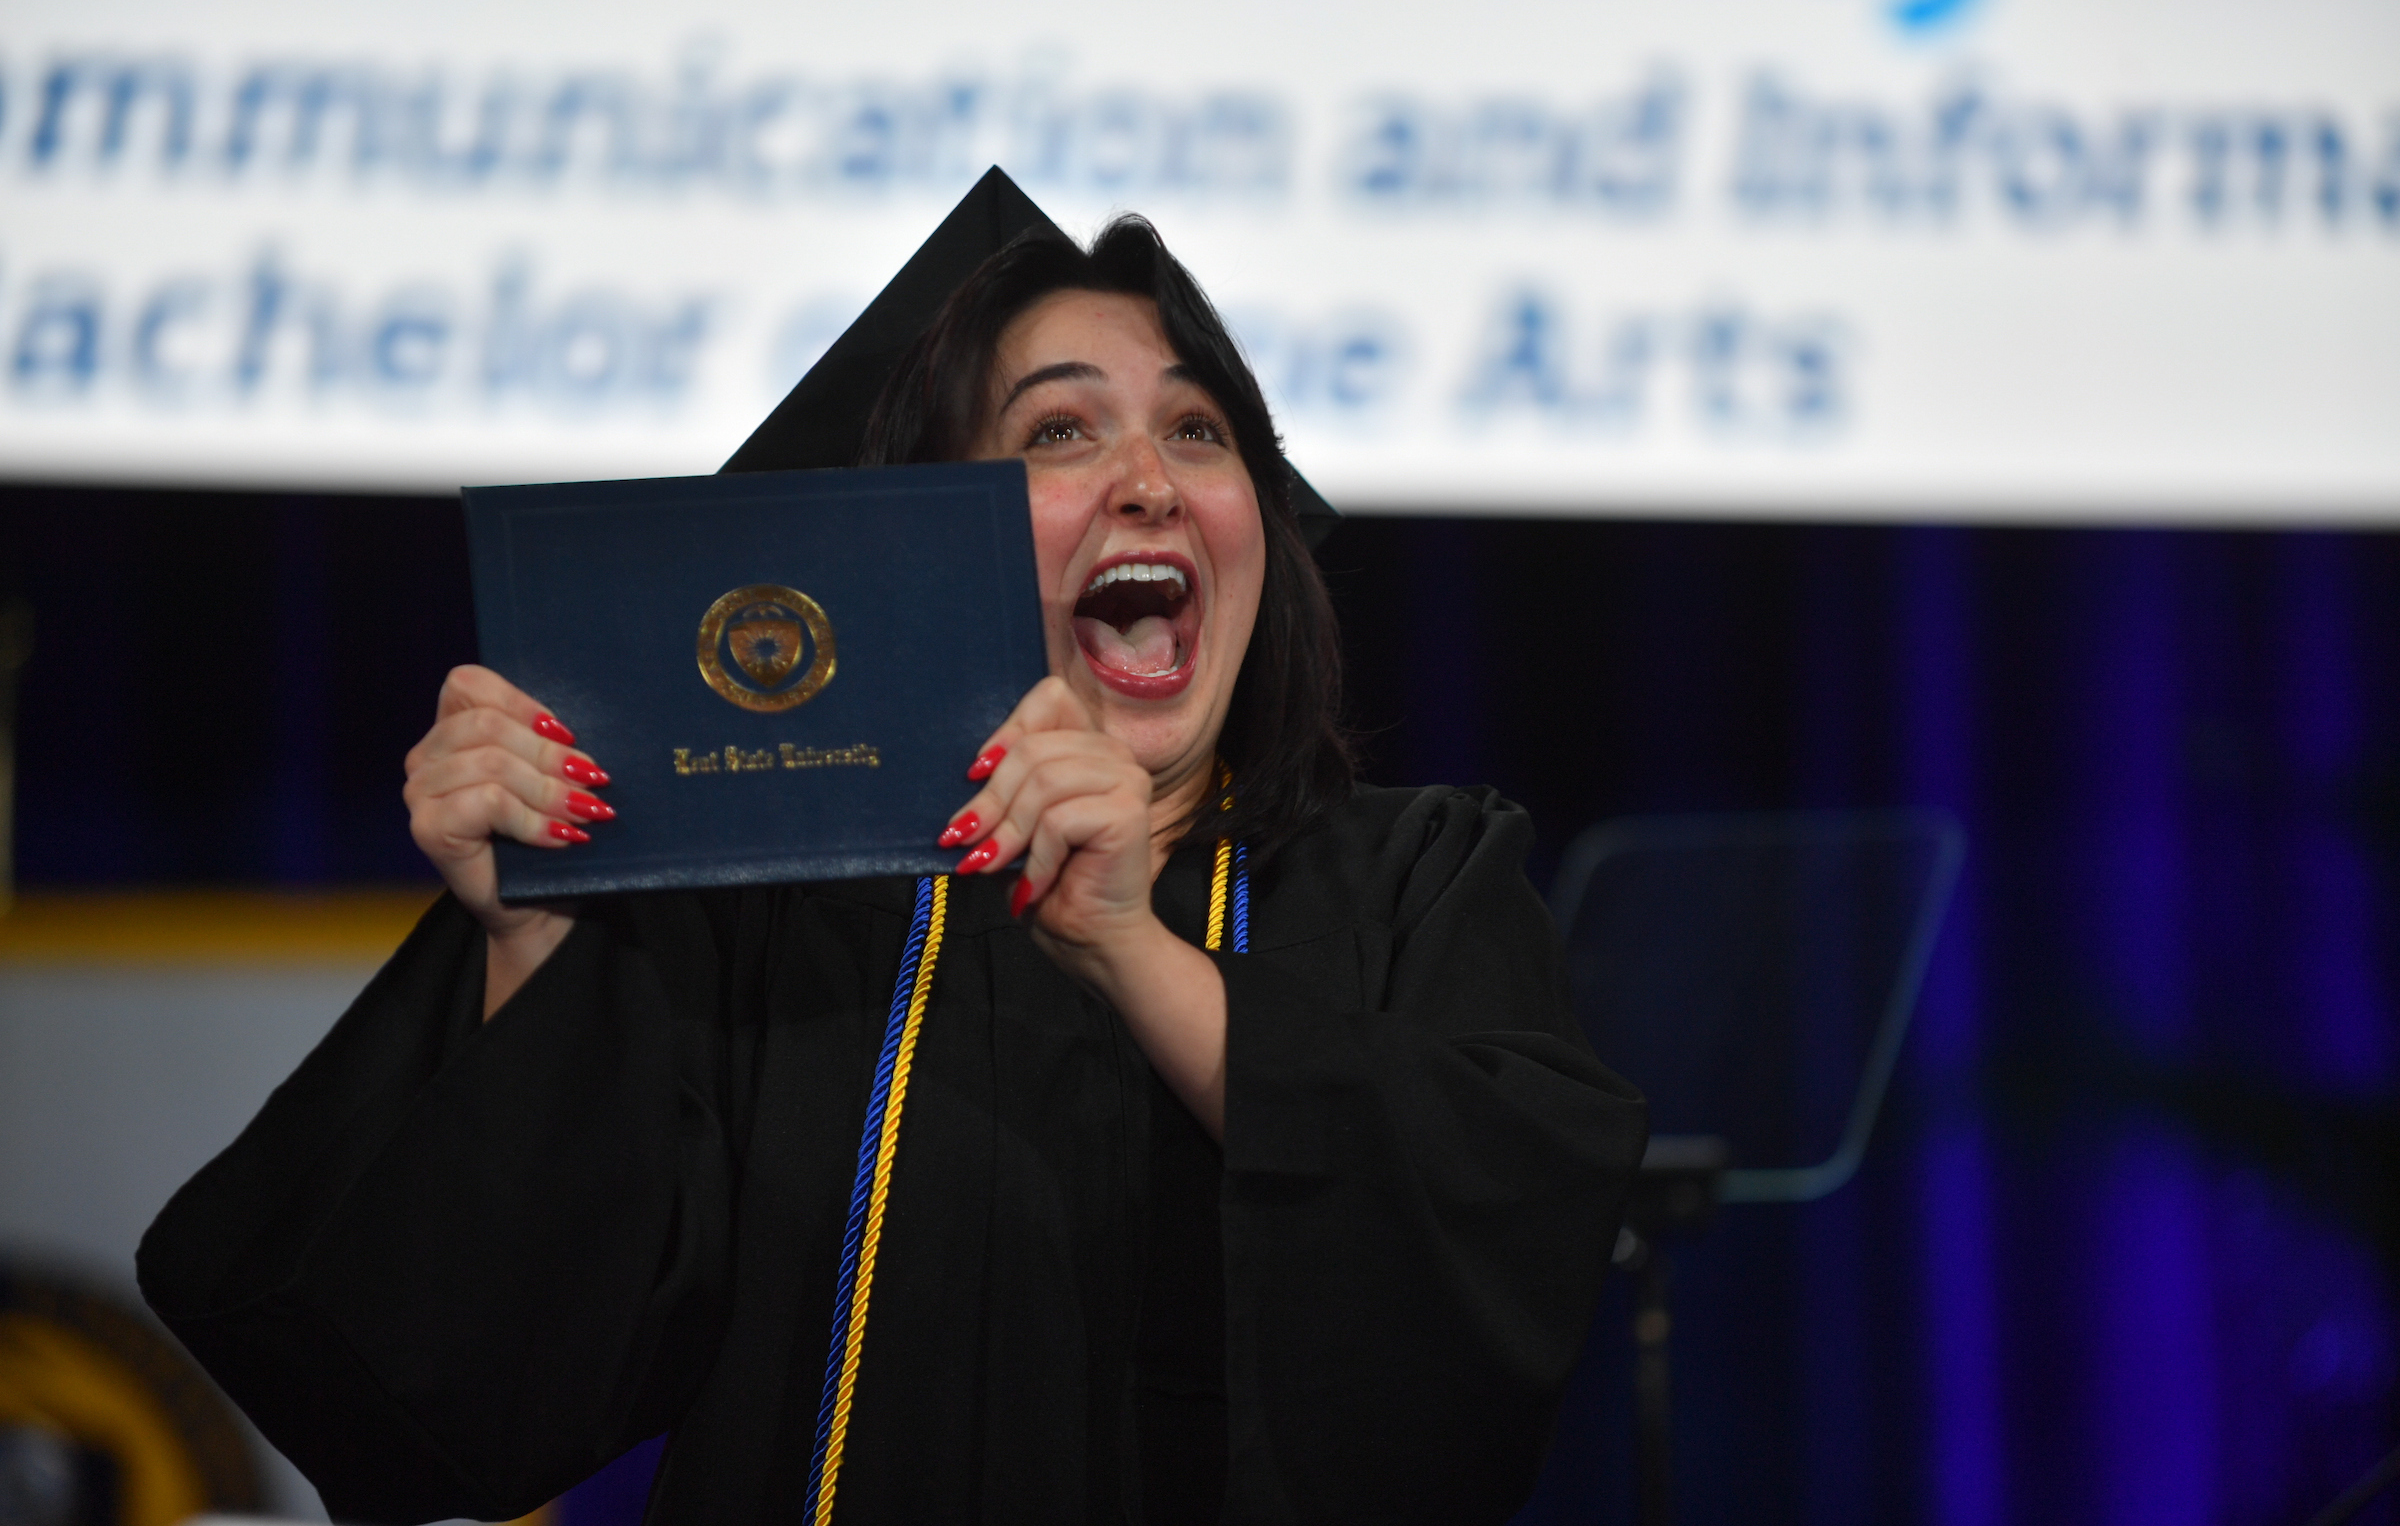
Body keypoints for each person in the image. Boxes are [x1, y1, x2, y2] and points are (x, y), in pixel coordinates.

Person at [138, 182, 1647, 1526]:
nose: (1148, 477)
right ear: (923, 539)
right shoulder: (781, 913)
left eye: (1200, 430)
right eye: (1059, 430)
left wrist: (1131, 947)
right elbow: (466, 1402)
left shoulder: (1415, 878)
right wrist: (540, 936)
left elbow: (1495, 1301)